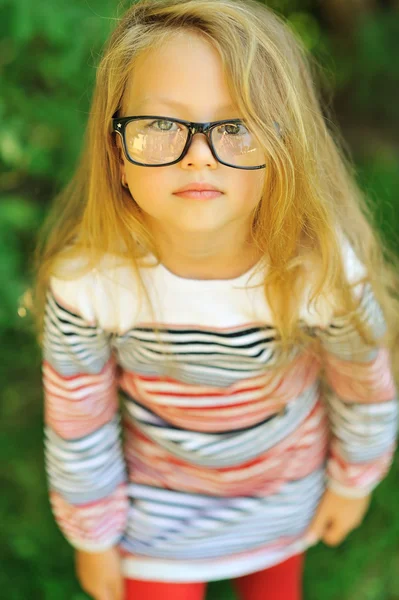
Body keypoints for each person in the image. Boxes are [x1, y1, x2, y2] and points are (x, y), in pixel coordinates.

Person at [28, 0, 399, 598]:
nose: (200, 153)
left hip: (285, 491)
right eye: (161, 125)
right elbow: (80, 426)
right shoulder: (91, 287)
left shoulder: (315, 272)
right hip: (159, 507)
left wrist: (352, 482)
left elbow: (365, 387)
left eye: (236, 125)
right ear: (116, 151)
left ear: (285, 151)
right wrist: (93, 538)